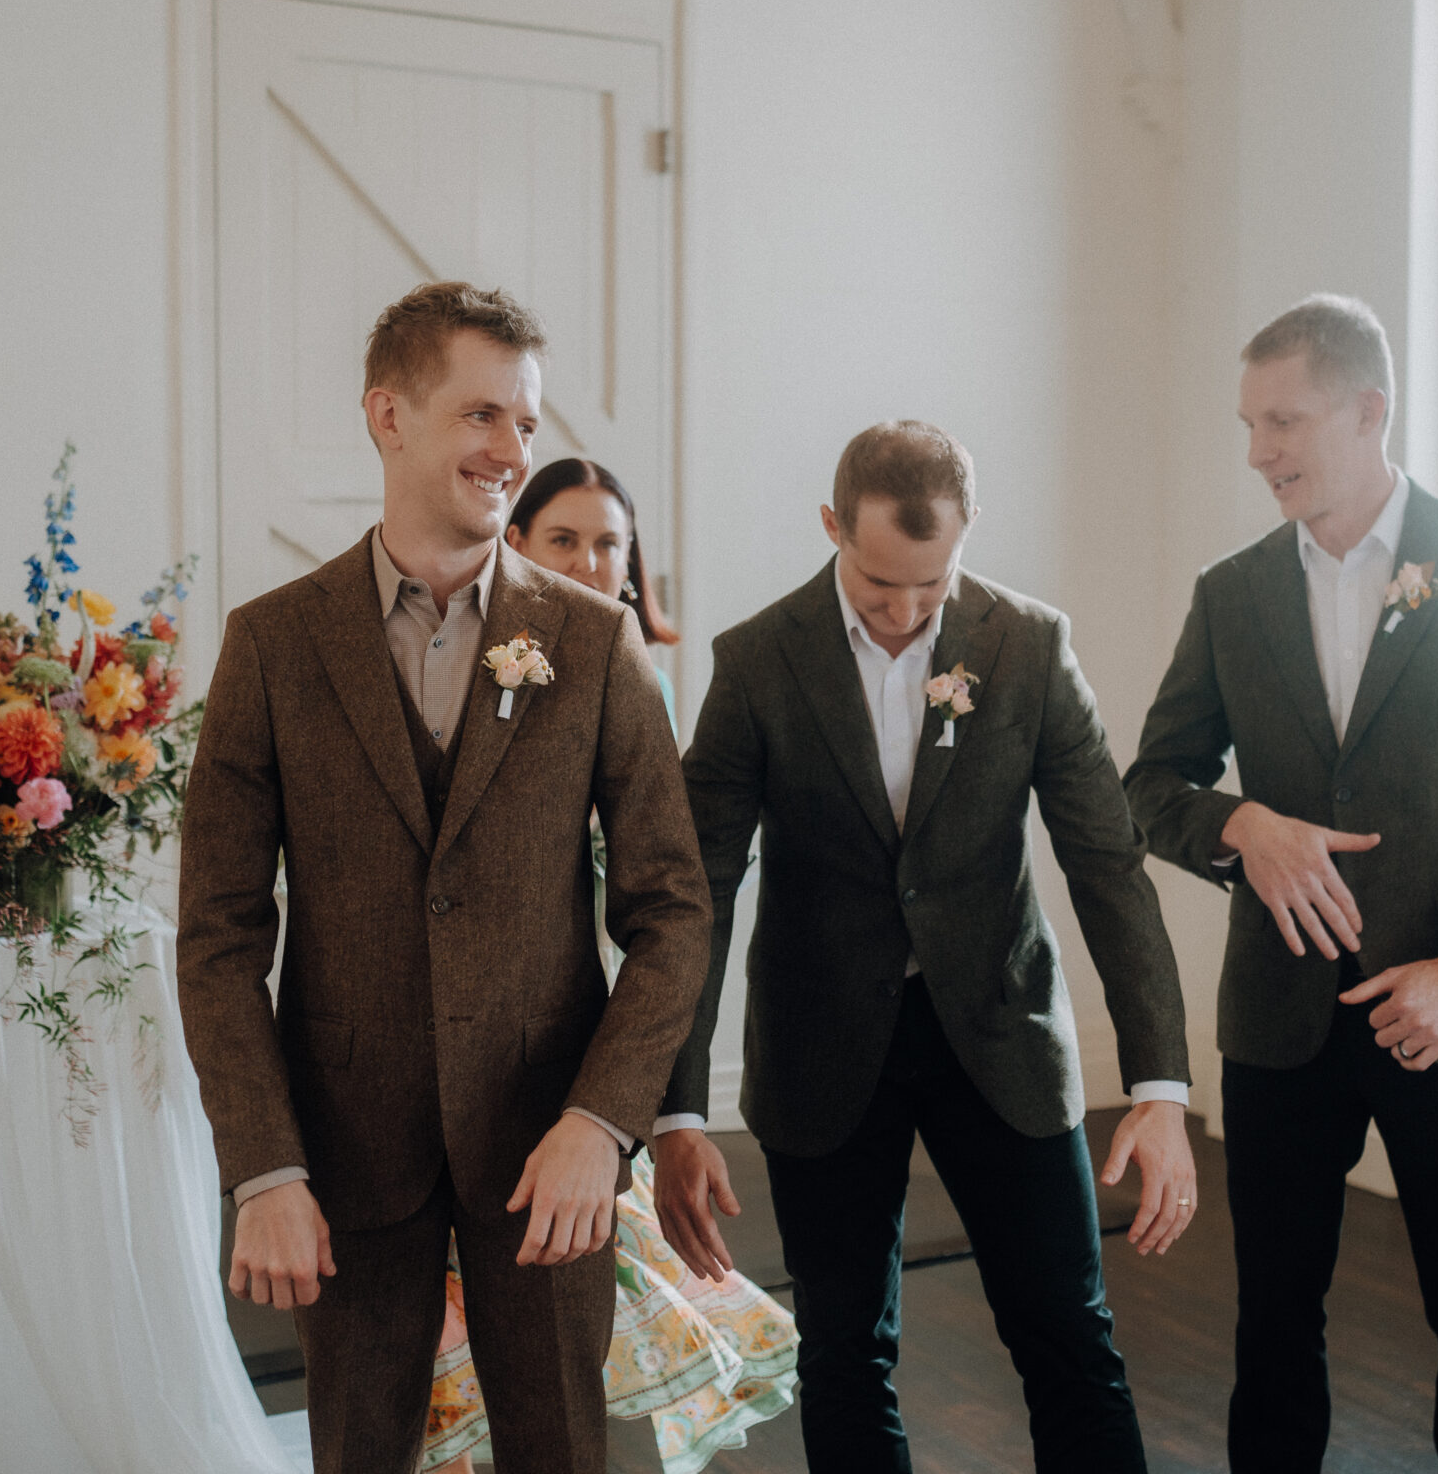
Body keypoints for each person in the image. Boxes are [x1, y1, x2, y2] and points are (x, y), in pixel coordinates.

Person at [176, 280, 712, 1474]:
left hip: (549, 1147)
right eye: (483, 416)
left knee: (563, 1456)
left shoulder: (592, 639)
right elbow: (216, 934)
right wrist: (264, 1163)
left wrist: (602, 1118)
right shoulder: (272, 643)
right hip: (347, 1148)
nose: (513, 450)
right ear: (389, 414)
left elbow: (672, 909)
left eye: (525, 421)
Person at [1124, 295, 1438, 1473]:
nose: (1259, 451)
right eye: (1249, 425)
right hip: (1279, 1020)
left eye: (1284, 421)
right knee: (1272, 1330)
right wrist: (1242, 823)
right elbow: (1150, 782)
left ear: (1370, 411)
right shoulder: (1232, 589)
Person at [654, 421, 1198, 1474]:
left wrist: (1162, 1084)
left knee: (1069, 1336)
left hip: (998, 1031)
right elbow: (700, 890)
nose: (906, 615)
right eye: (878, 586)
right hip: (821, 1048)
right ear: (830, 528)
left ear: (968, 533)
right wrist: (677, 1108)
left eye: (931, 584)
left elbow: (1107, 861)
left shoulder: (1029, 646)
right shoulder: (758, 661)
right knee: (846, 1352)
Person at [423, 456, 798, 1474]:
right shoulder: (459, 654)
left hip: (578, 1045)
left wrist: (656, 1103)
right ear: (516, 544)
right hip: (436, 1039)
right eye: (566, 539)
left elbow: (666, 896)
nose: (593, 562)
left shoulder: (643, 683)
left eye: (611, 546)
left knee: (554, 1341)